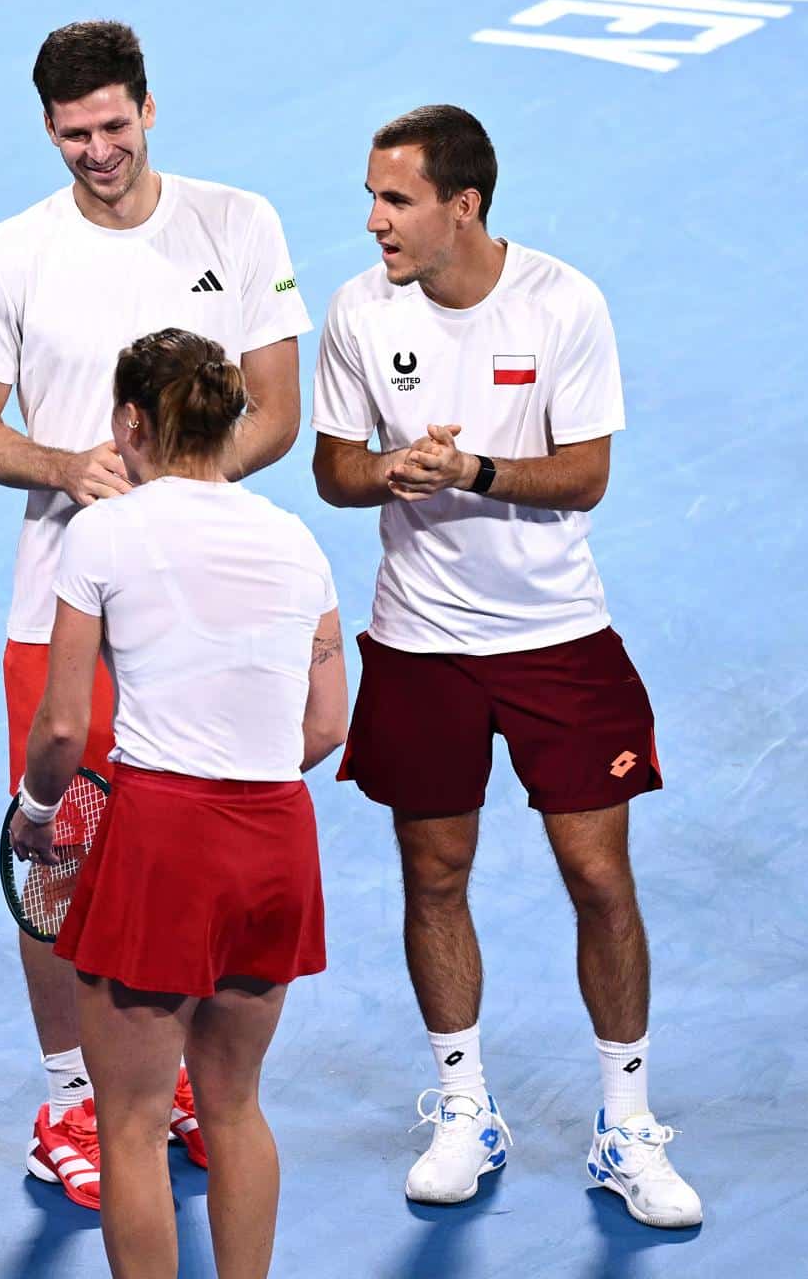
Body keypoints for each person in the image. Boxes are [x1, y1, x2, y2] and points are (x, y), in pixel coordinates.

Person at [312, 104, 701, 1228]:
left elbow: (583, 476)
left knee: (597, 873)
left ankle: (628, 1124)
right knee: (434, 872)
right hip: (421, 639)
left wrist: (471, 468)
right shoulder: (355, 309)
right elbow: (337, 467)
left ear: (463, 205)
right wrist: (394, 470)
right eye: (372, 196)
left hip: (556, 637)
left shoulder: (563, 302)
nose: (373, 220)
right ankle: (463, 1103)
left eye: (396, 200)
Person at [0, 19, 312, 1206]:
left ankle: (179, 1085)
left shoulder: (239, 222)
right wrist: (65, 461)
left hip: (211, 608)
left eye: (113, 127)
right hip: (65, 609)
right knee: (62, 850)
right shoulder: (10, 252)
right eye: (71, 137)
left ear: (149, 110)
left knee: (187, 851)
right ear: (46, 130)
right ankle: (68, 1091)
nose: (97, 153)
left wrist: (172, 495)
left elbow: (275, 409)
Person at [10, 327, 346, 1278]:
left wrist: (39, 815)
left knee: (130, 1124)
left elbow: (65, 729)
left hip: (163, 842)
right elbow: (325, 726)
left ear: (130, 424)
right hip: (278, 840)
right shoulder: (295, 541)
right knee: (235, 1105)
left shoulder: (103, 531)